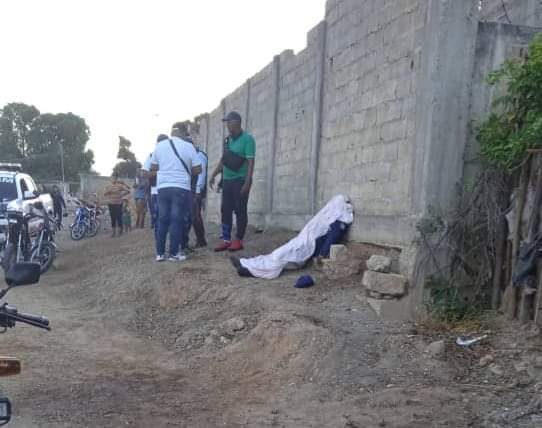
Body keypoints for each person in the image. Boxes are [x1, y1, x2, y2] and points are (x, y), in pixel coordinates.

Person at [150, 124, 202, 262]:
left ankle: (160, 254)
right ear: (183, 133)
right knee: (176, 220)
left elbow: (153, 167)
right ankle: (174, 254)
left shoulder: (160, 146)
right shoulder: (188, 146)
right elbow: (198, 169)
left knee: (162, 219)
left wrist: (166, 167)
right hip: (181, 187)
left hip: (163, 188)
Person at [210, 111, 255, 252]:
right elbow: (224, 160)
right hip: (228, 181)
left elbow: (251, 162)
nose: (227, 125)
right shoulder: (227, 140)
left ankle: (238, 240)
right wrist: (214, 174)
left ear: (236, 122)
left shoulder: (248, 139)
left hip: (240, 180)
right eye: (226, 122)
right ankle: (226, 239)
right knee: (225, 210)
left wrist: (247, 182)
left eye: (229, 122)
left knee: (240, 210)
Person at [184, 136, 208, 248]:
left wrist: (198, 191)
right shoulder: (193, 155)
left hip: (196, 191)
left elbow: (201, 175)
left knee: (195, 216)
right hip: (192, 190)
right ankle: (199, 240)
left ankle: (201, 240)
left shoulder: (199, 155)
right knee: (194, 216)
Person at [143, 134, 169, 233]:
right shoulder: (152, 155)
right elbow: (145, 173)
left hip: (169, 189)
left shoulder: (172, 155)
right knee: (159, 215)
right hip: (156, 191)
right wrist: (161, 172)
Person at [104, 173, 130, 237]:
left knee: (118, 217)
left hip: (118, 203)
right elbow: (105, 194)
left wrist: (122, 195)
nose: (113, 179)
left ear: (116, 179)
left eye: (114, 178)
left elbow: (128, 191)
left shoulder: (119, 186)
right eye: (112, 178)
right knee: (113, 218)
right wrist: (108, 192)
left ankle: (119, 232)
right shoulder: (108, 186)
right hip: (111, 203)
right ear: (111, 179)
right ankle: (113, 233)